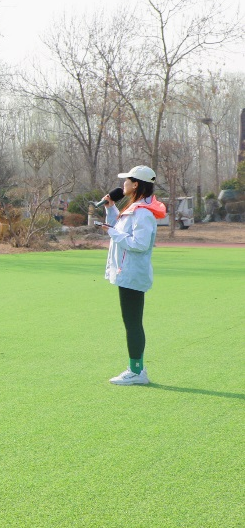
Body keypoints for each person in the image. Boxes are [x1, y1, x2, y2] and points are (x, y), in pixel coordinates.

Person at [102, 165, 166, 385]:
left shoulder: (143, 213)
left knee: (132, 322)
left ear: (136, 184)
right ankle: (136, 370)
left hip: (133, 273)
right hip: (127, 272)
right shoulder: (135, 208)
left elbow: (139, 244)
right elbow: (121, 230)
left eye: (127, 180)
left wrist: (111, 231)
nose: (124, 184)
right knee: (131, 321)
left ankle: (137, 371)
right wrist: (110, 209)